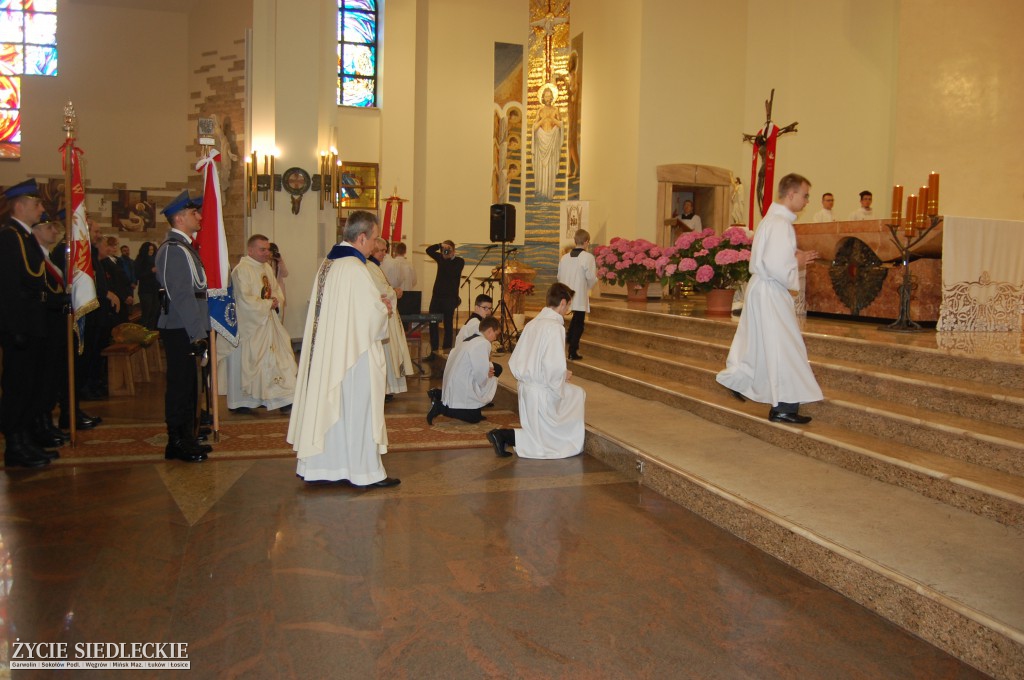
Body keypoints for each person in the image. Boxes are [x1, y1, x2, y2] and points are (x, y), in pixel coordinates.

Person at [288, 210, 400, 488]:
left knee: (335, 409)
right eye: (374, 239)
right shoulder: (354, 269)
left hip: (333, 355)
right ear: (361, 237)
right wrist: (383, 307)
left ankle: (324, 466)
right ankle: (364, 472)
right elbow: (371, 318)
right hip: (354, 358)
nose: (376, 245)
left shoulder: (330, 264)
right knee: (357, 410)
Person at [716, 173, 823, 424]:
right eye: (805, 195)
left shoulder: (772, 219)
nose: (807, 201)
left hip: (762, 289)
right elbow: (776, 265)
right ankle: (784, 407)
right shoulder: (780, 223)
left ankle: (740, 380)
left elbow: (771, 257)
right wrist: (796, 261)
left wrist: (792, 257)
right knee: (784, 347)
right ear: (792, 194)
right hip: (771, 290)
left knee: (759, 344)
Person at [487, 283, 585, 459]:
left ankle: (505, 436)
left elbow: (516, 359)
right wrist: (563, 376)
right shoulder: (555, 327)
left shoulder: (532, 324)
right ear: (563, 302)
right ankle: (505, 435)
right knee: (577, 395)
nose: (568, 310)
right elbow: (552, 367)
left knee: (540, 433)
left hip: (526, 388)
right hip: (542, 391)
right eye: (568, 305)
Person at [0, 179, 54, 468]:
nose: (41, 208)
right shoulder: (10, 237)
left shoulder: (25, 237)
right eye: (37, 204)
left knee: (31, 384)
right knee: (18, 386)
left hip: (33, 324)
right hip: (20, 325)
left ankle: (26, 438)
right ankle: (15, 444)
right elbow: (8, 287)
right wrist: (15, 328)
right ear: (19, 206)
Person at [155, 190, 211, 463]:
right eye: (193, 213)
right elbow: (181, 295)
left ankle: (188, 435)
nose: (199, 217)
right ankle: (176, 440)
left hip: (189, 326)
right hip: (181, 328)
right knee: (180, 385)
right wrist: (197, 332)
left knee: (191, 385)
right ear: (179, 218)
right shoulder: (174, 250)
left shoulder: (185, 247)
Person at [220, 234, 297, 415]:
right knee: (253, 363)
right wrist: (268, 303)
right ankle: (243, 401)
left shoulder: (266, 268)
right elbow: (244, 300)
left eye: (268, 249)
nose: (267, 253)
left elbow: (275, 289)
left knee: (280, 360)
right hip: (250, 327)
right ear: (250, 250)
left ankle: (284, 399)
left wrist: (276, 300)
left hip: (268, 324)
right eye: (262, 249)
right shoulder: (241, 270)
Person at [428, 316, 501, 425]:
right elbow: (480, 372)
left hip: (454, 378)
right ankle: (441, 408)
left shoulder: (471, 338)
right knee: (473, 418)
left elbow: (476, 363)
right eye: (496, 334)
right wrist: (487, 374)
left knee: (496, 369)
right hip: (461, 381)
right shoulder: (483, 343)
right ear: (490, 330)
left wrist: (487, 369)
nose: (495, 338)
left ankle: (439, 394)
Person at [368, 236, 414, 399]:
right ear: (373, 249)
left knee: (390, 352)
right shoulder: (370, 266)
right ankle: (385, 388)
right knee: (386, 352)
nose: (384, 253)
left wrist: (393, 291)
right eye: (381, 250)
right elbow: (381, 291)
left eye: (385, 250)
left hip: (388, 315)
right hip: (382, 317)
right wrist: (394, 292)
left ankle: (388, 387)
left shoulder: (375, 267)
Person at [557, 228, 597, 361]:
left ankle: (567, 340)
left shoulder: (564, 257)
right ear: (586, 242)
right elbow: (591, 277)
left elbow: (559, 276)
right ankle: (572, 351)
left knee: (570, 321)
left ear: (575, 241)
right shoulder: (588, 257)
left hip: (564, 294)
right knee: (579, 323)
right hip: (579, 294)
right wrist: (588, 287)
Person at [426, 240, 465, 356]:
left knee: (448, 326)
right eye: (445, 249)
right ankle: (434, 351)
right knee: (433, 323)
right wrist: (439, 245)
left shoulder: (459, 261)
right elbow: (428, 250)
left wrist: (446, 258)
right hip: (436, 298)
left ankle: (446, 352)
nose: (446, 251)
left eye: (449, 249)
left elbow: (451, 272)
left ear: (454, 251)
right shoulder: (440, 258)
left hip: (449, 299)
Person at [533, 83, 563, 199]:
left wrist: (552, 118)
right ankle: (541, 190)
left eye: (550, 96)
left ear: (552, 97)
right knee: (542, 168)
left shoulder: (555, 110)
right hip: (542, 141)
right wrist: (543, 119)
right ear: (543, 97)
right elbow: (535, 128)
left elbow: (560, 125)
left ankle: (549, 192)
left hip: (552, 142)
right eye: (546, 96)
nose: (548, 98)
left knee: (550, 167)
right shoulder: (540, 111)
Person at [100, 236, 133, 324]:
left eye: (116, 245)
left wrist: (129, 294)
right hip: (116, 296)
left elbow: (125, 279)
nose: (114, 248)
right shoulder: (104, 262)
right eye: (111, 246)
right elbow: (113, 282)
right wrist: (124, 296)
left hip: (124, 295)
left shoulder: (118, 260)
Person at [134, 241, 159, 329]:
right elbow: (138, 274)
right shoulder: (140, 260)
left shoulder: (156, 259)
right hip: (145, 290)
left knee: (154, 312)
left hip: (155, 289)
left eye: (152, 250)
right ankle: (144, 332)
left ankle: (152, 332)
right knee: (146, 312)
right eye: (149, 250)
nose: (151, 251)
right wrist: (151, 271)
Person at [269, 242, 288, 321]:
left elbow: (285, 274)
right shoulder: (264, 263)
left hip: (279, 292)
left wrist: (280, 261)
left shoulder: (278, 262)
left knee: (279, 317)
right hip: (269, 293)